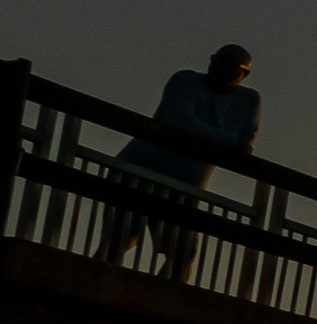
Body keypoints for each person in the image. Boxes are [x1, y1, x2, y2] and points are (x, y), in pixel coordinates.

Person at [110, 43, 259, 276]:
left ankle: (160, 296)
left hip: (183, 188)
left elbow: (245, 142)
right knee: (120, 239)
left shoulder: (249, 100)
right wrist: (228, 140)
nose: (221, 68)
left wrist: (230, 142)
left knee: (183, 254)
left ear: (244, 74)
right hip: (139, 170)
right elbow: (179, 120)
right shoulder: (186, 81)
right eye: (218, 61)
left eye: (231, 65)